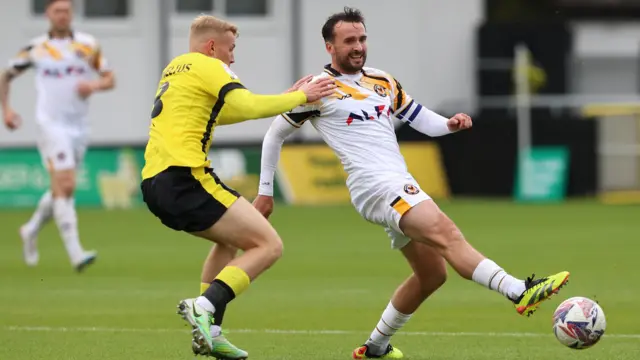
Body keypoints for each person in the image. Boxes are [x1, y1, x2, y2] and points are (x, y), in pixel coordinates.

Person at [252, 7, 570, 359]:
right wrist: (265, 192)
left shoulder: (382, 80)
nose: (358, 47)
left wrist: (449, 125)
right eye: (349, 41)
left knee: (432, 274)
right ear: (330, 47)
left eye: (361, 39)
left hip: (395, 182)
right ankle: (518, 290)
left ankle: (376, 346)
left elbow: (419, 117)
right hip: (376, 185)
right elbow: (274, 135)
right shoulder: (318, 89)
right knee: (448, 235)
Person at [139, 14, 335, 359]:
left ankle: (211, 334)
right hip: (186, 177)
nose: (233, 57)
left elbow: (225, 113)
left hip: (154, 184)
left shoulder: (176, 68)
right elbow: (246, 104)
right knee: (269, 245)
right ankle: (203, 307)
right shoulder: (209, 65)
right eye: (230, 48)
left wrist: (287, 96)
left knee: (229, 243)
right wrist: (300, 96)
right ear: (212, 46)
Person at [1, 0, 115, 272]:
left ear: (71, 14)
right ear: (48, 15)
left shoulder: (88, 45)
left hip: (79, 126)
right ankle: (76, 253)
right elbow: (5, 75)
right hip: (51, 125)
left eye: (66, 11)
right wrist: (6, 110)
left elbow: (110, 78)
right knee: (67, 183)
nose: (62, 16)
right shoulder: (36, 48)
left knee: (61, 188)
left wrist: (94, 84)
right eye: (57, 11)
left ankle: (30, 230)